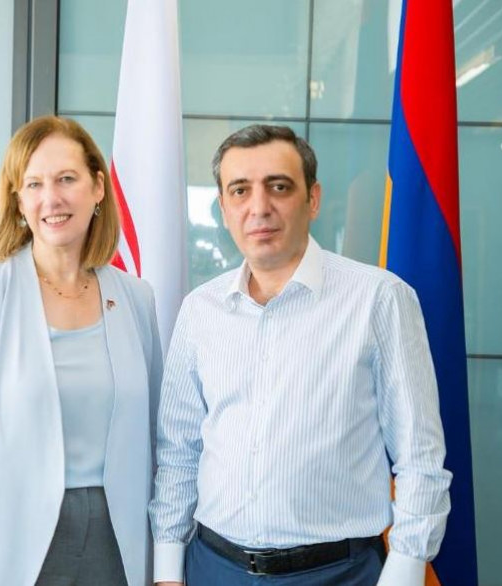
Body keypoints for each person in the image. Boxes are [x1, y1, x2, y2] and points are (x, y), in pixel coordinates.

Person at [149, 124, 451, 586]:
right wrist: (168, 570)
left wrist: (404, 572)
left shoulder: (379, 300)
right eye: (240, 190)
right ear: (224, 208)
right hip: (213, 568)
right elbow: (179, 454)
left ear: (313, 199)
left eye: (279, 186)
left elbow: (421, 459)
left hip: (339, 574)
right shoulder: (199, 310)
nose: (259, 207)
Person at [0, 116, 162, 586]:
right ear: (19, 201)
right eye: (34, 184)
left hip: (120, 546)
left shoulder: (136, 298)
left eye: (66, 179)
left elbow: (157, 440)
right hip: (13, 548)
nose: (52, 198)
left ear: (98, 188)